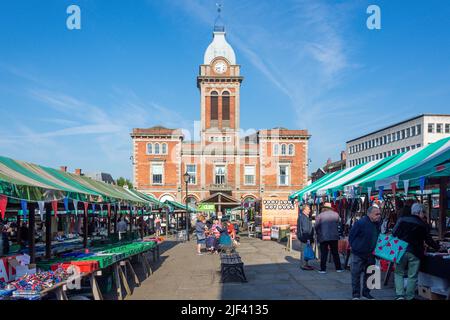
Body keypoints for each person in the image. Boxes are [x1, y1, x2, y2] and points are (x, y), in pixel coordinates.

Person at [392, 203, 441, 300]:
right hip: (415, 252)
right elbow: (428, 240)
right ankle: (410, 296)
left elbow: (394, 233)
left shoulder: (402, 219)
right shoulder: (422, 224)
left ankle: (400, 296)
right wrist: (438, 248)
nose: (424, 215)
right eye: (424, 212)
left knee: (398, 273)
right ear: (420, 213)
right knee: (412, 275)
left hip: (400, 250)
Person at [349, 206, 382, 300]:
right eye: (377, 214)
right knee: (356, 274)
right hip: (359, 253)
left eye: (379, 214)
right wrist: (356, 247)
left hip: (371, 254)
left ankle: (366, 293)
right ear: (369, 214)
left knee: (370, 274)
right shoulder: (360, 223)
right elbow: (351, 236)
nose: (379, 216)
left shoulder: (377, 223)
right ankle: (356, 295)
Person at [314, 202, 344, 274]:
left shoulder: (320, 215)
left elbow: (316, 226)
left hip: (323, 236)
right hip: (334, 236)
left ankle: (323, 269)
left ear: (324, 208)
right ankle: (338, 268)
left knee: (324, 253)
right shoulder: (336, 214)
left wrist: (318, 233)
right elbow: (339, 224)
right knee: (335, 253)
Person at [297, 205, 315, 270]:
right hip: (305, 237)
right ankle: (303, 265)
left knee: (306, 251)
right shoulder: (303, 217)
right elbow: (305, 229)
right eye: (308, 209)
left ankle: (306, 264)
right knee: (304, 251)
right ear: (304, 210)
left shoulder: (304, 216)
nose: (310, 210)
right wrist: (308, 239)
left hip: (305, 237)